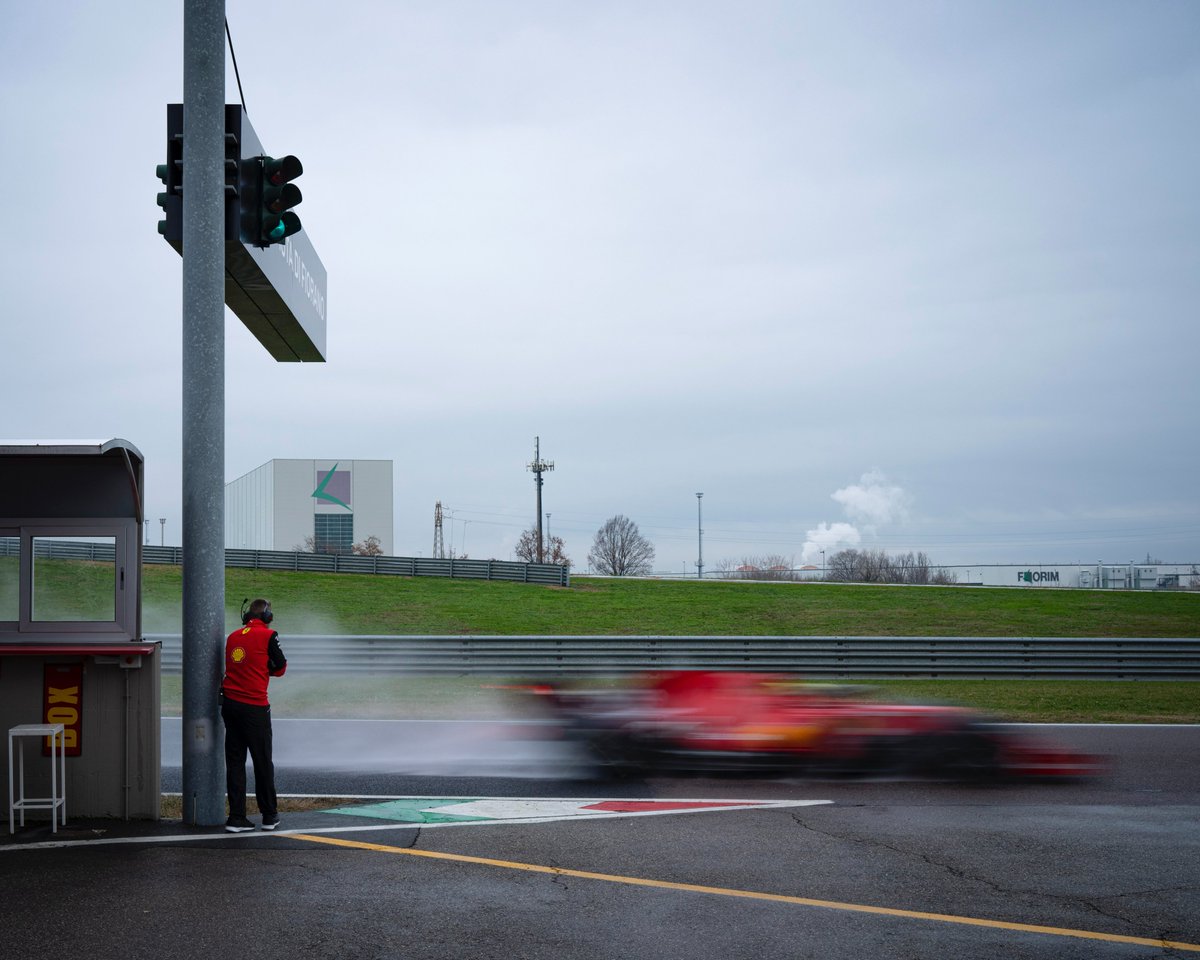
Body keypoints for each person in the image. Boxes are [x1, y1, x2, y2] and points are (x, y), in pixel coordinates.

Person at [221, 597, 287, 832]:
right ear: (267, 617)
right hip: (254, 706)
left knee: (235, 762)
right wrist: (265, 668)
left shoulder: (233, 636)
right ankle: (269, 815)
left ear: (247, 616)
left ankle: (236, 817)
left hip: (230, 705)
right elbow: (281, 667)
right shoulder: (269, 635)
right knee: (262, 761)